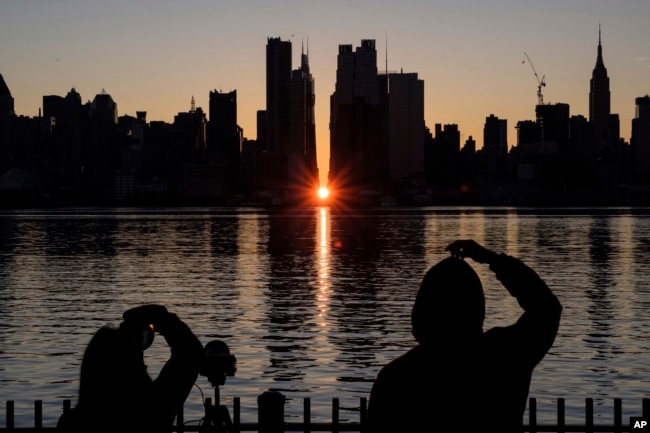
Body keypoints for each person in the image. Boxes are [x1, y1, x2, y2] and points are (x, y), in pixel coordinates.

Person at [366, 240, 562, 432]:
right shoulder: (505, 354)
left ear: (420, 316)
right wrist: (492, 259)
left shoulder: (397, 376)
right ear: (477, 309)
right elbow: (546, 309)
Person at [57, 304, 204, 432]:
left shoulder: (71, 423)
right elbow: (190, 353)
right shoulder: (153, 411)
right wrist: (159, 316)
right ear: (138, 370)